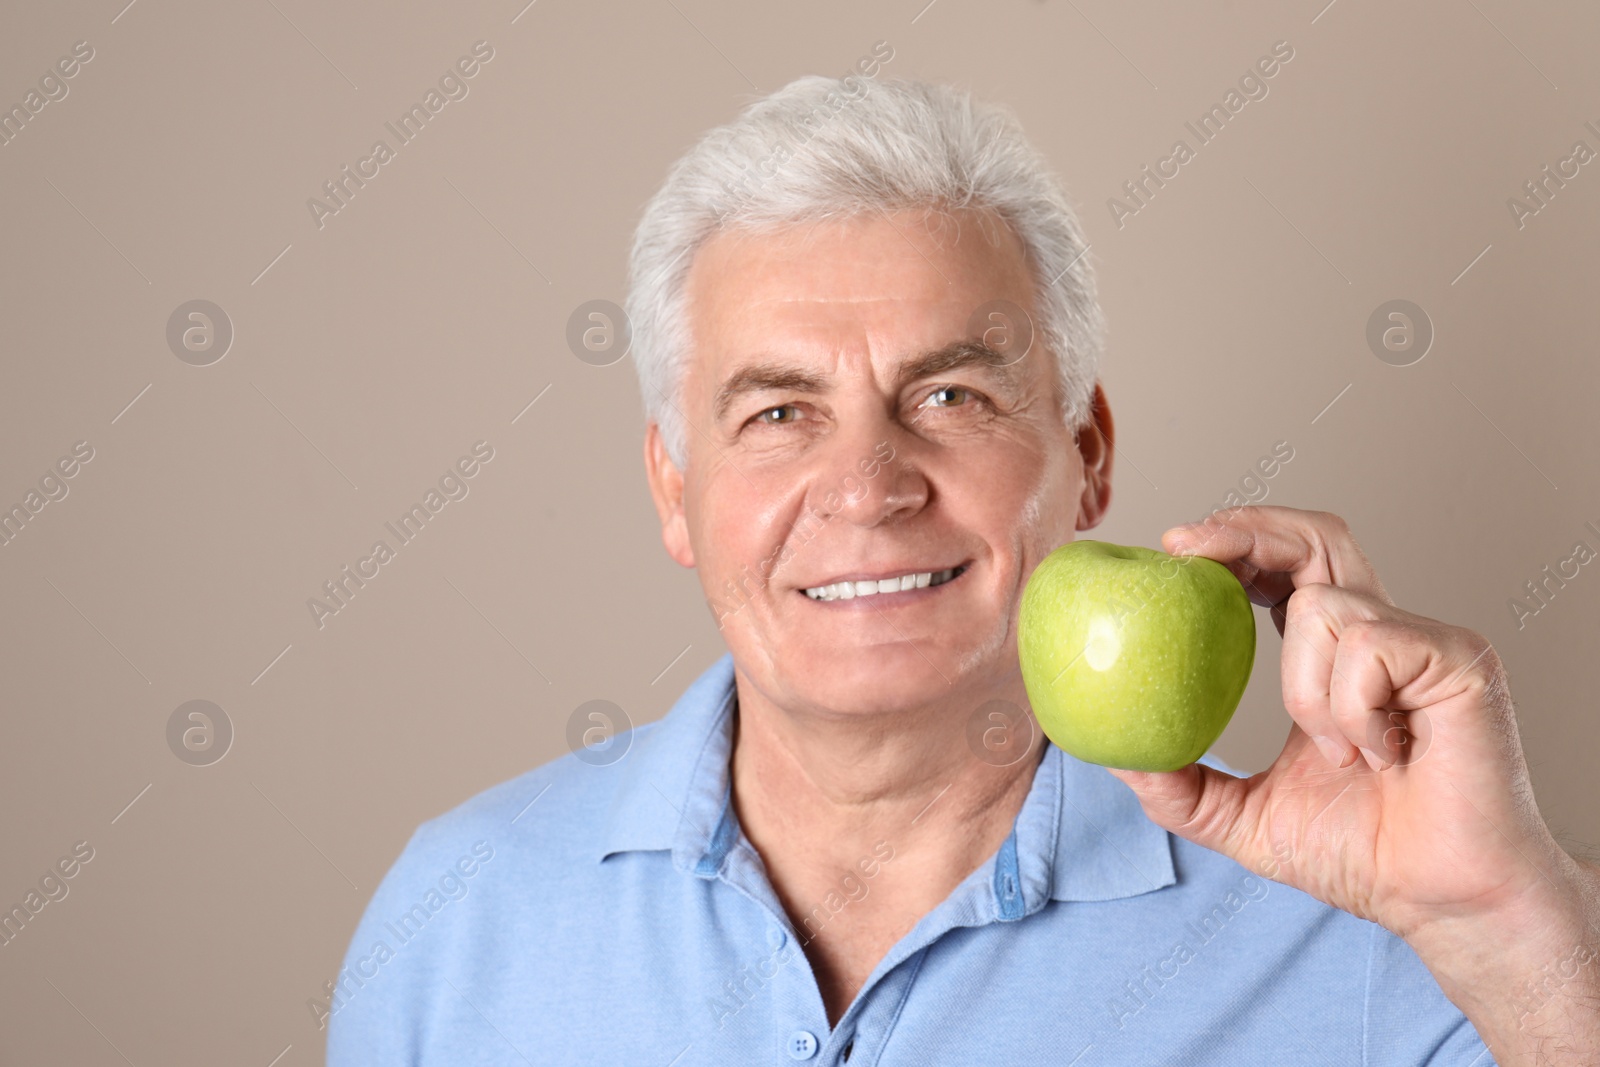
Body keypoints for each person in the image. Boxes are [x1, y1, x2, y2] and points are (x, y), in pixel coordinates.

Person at [326, 75, 1598, 1065]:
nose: (869, 485)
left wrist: (1506, 923)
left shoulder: (1386, 937)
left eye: (948, 392)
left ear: (1086, 454)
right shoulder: (458, 916)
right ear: (675, 488)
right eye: (777, 412)